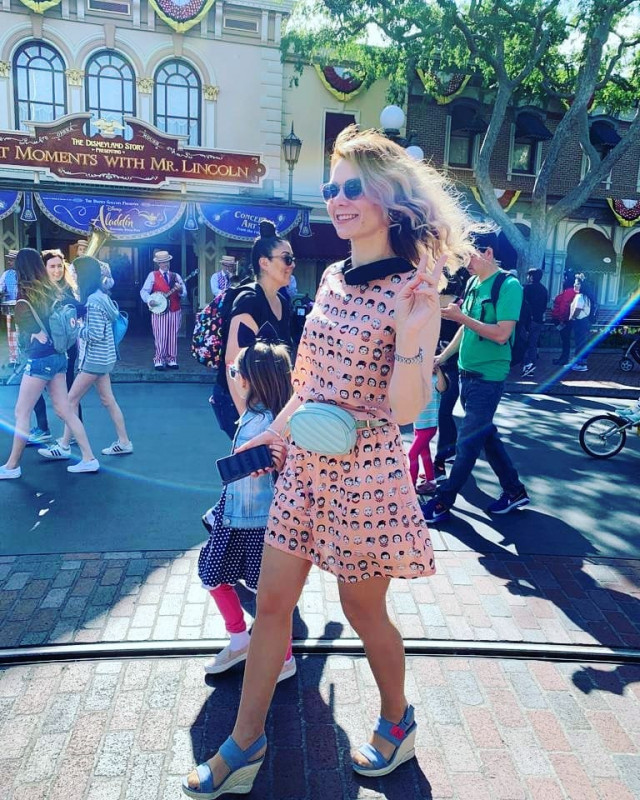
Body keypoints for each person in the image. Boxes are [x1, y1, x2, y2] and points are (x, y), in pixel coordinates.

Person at [183, 125, 478, 798]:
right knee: (272, 604)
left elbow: (405, 408)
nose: (337, 199)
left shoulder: (412, 290)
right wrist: (269, 436)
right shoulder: (333, 279)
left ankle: (397, 721)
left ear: (390, 199)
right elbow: (309, 381)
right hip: (305, 469)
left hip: (367, 474)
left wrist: (416, 332)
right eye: (331, 187)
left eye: (352, 188)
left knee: (362, 610)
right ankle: (245, 742)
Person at [199, 336, 295, 681]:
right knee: (265, 595)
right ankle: (265, 650)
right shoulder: (267, 418)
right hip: (247, 519)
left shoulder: (259, 423)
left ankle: (250, 644)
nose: (233, 377)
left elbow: (249, 479)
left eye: (235, 371)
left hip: (249, 523)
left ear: (249, 379)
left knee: (219, 580)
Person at [422, 233, 530, 524]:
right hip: (466, 374)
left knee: (467, 443)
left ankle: (442, 502)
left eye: (469, 254)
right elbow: (466, 328)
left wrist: (461, 317)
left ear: (488, 252)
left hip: (488, 378)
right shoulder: (472, 283)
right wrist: (442, 356)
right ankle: (514, 491)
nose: (464, 262)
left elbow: (501, 334)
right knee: (486, 435)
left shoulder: (509, 285)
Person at [0, 249, 99, 479]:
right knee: (65, 409)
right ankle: (89, 458)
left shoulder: (26, 294)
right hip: (59, 356)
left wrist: (34, 331)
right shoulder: (51, 290)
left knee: (21, 412)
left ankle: (12, 466)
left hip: (40, 359)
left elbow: (24, 323)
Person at [38, 256, 133, 461]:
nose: (72, 275)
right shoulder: (101, 296)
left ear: (84, 274)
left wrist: (75, 328)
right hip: (104, 358)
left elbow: (95, 334)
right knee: (108, 400)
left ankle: (65, 446)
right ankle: (124, 441)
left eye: (75, 272)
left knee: (70, 401)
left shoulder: (93, 301)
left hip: (94, 360)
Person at [210, 221, 294, 440]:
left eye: (293, 259)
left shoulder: (283, 302)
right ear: (264, 263)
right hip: (240, 402)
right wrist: (248, 423)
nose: (292, 265)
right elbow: (232, 365)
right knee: (254, 460)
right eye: (287, 259)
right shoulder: (250, 301)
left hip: (267, 400)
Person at [28, 249, 85, 446]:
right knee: (34, 390)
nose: (57, 270)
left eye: (60, 266)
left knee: (69, 391)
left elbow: (80, 309)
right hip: (44, 348)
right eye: (52, 266)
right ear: (43, 268)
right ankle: (42, 427)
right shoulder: (40, 288)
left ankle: (74, 431)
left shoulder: (66, 289)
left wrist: (64, 306)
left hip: (65, 348)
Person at [433, 267, 469, 483]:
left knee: (443, 411)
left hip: (449, 363)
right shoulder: (451, 304)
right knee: (443, 412)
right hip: (444, 363)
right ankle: (448, 451)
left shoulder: (457, 306)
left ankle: (441, 458)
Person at [139, 250, 186, 370]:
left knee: (173, 335)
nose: (165, 264)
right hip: (159, 310)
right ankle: (159, 359)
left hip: (174, 309)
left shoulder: (176, 276)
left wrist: (180, 290)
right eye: (163, 262)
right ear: (158, 263)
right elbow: (144, 291)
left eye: (167, 262)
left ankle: (172, 359)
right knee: (160, 335)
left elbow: (184, 293)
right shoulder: (152, 275)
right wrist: (150, 300)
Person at [409, 364, 448, 494]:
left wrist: (438, 370)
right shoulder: (417, 378)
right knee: (424, 453)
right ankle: (430, 480)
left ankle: (411, 486)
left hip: (428, 426)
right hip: (418, 424)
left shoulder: (435, 379)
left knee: (412, 454)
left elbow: (443, 388)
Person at [521, 268, 548, 377]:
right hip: (538, 320)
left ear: (531, 276)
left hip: (527, 320)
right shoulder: (544, 289)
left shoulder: (527, 288)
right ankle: (530, 367)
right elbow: (545, 306)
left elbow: (523, 305)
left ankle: (526, 364)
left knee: (524, 343)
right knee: (533, 344)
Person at [568, 273, 594, 372]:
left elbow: (577, 309)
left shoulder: (580, 296)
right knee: (582, 342)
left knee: (579, 343)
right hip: (585, 322)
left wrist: (572, 317)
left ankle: (581, 364)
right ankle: (578, 363)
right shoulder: (586, 297)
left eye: (576, 283)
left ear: (581, 285)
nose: (574, 285)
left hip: (580, 321)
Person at [551, 275, 576, 366]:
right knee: (565, 340)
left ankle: (564, 359)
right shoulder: (570, 291)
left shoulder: (569, 292)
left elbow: (564, 306)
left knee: (565, 340)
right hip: (564, 319)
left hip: (563, 320)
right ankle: (563, 358)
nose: (562, 281)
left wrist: (561, 319)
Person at [0, 249, 18, 367]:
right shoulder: (6, 275)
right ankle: (14, 359)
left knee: (24, 333)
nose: (9, 262)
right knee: (12, 334)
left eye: (11, 260)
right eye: (9, 260)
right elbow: (1, 288)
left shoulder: (26, 274)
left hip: (25, 309)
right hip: (10, 309)